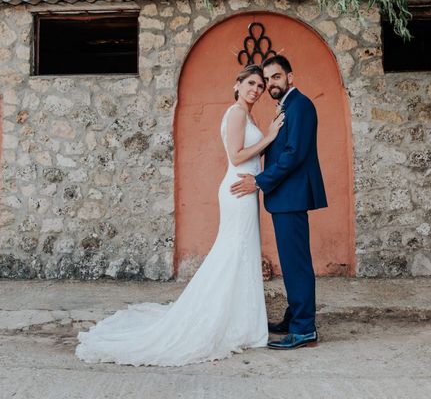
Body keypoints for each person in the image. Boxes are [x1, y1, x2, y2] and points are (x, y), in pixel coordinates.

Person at [75, 64, 284, 366]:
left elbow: (250, 153)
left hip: (247, 189)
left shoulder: (246, 114)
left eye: (260, 87)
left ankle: (242, 322)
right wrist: (271, 135)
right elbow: (237, 155)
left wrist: (266, 139)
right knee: (233, 253)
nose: (256, 90)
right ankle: (228, 322)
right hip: (238, 190)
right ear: (237, 85)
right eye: (251, 83)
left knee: (242, 254)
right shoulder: (237, 113)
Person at [231, 55, 327, 350]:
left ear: (290, 77)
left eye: (275, 77)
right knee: (291, 260)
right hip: (285, 195)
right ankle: (294, 316)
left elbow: (294, 154)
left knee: (296, 262)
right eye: (267, 79)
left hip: (292, 195)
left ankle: (303, 329)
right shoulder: (287, 106)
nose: (271, 83)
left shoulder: (301, 105)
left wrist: (259, 181)